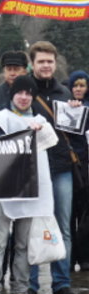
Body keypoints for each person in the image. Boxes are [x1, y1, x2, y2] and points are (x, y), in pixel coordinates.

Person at [0, 75, 53, 294]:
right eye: (20, 92)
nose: (24, 97)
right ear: (12, 94)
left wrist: (38, 131)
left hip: (30, 190)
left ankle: (20, 291)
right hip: (4, 188)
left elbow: (50, 143)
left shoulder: (41, 121)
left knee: (23, 244)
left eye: (29, 93)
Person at [27, 41, 77, 294]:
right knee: (31, 226)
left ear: (55, 64)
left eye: (49, 61)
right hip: (32, 169)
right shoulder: (24, 92)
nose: (45, 65)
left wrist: (79, 114)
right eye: (41, 61)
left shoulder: (65, 93)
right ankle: (31, 285)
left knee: (63, 226)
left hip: (60, 167)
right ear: (32, 64)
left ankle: (61, 282)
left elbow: (76, 132)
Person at [67, 70, 89, 271]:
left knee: (85, 216)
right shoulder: (65, 108)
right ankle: (71, 256)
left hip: (87, 166)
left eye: (82, 85)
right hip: (72, 166)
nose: (78, 89)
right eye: (75, 86)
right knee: (70, 214)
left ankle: (84, 256)